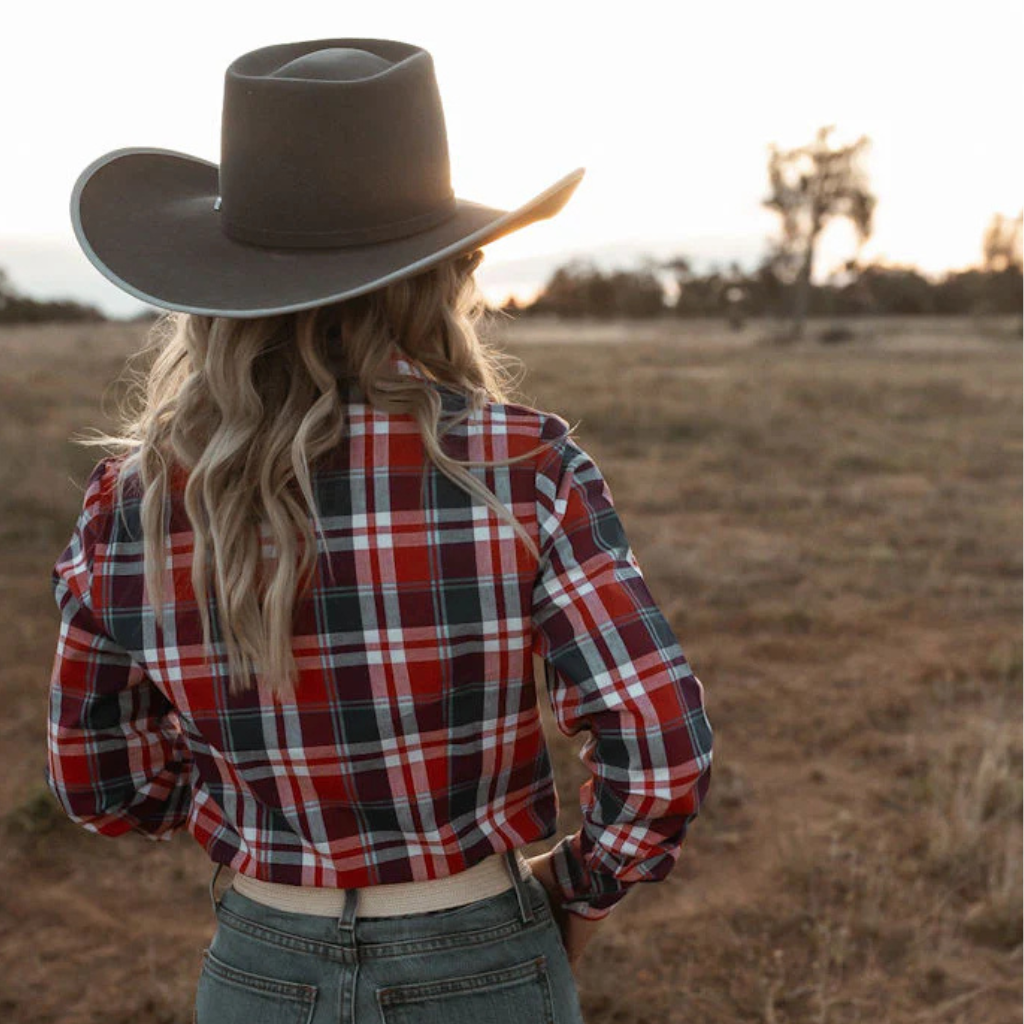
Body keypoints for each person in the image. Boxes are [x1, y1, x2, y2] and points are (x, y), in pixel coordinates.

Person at [48, 38, 714, 1023]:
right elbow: (659, 747)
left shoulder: (133, 502)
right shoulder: (523, 464)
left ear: (224, 288)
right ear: (435, 275)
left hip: (261, 962)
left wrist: (261, 794)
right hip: (481, 946)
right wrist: (577, 891)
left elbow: (102, 783)